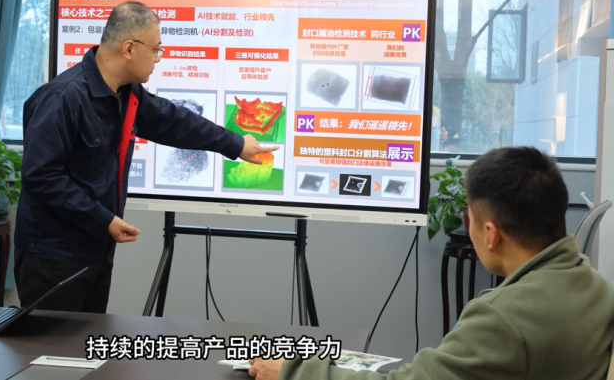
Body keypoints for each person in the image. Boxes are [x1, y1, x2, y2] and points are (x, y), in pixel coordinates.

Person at [249, 146, 614, 380]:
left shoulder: (503, 319)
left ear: (490, 234)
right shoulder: (591, 284)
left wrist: (292, 371)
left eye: (469, 219)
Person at [14, 1, 276, 313]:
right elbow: (41, 177)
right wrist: (103, 219)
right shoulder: (62, 98)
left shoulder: (127, 93)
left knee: (87, 343)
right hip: (52, 259)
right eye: (156, 49)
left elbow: (174, 122)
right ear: (129, 48)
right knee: (54, 343)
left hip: (96, 252)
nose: (158, 58)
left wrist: (236, 144)